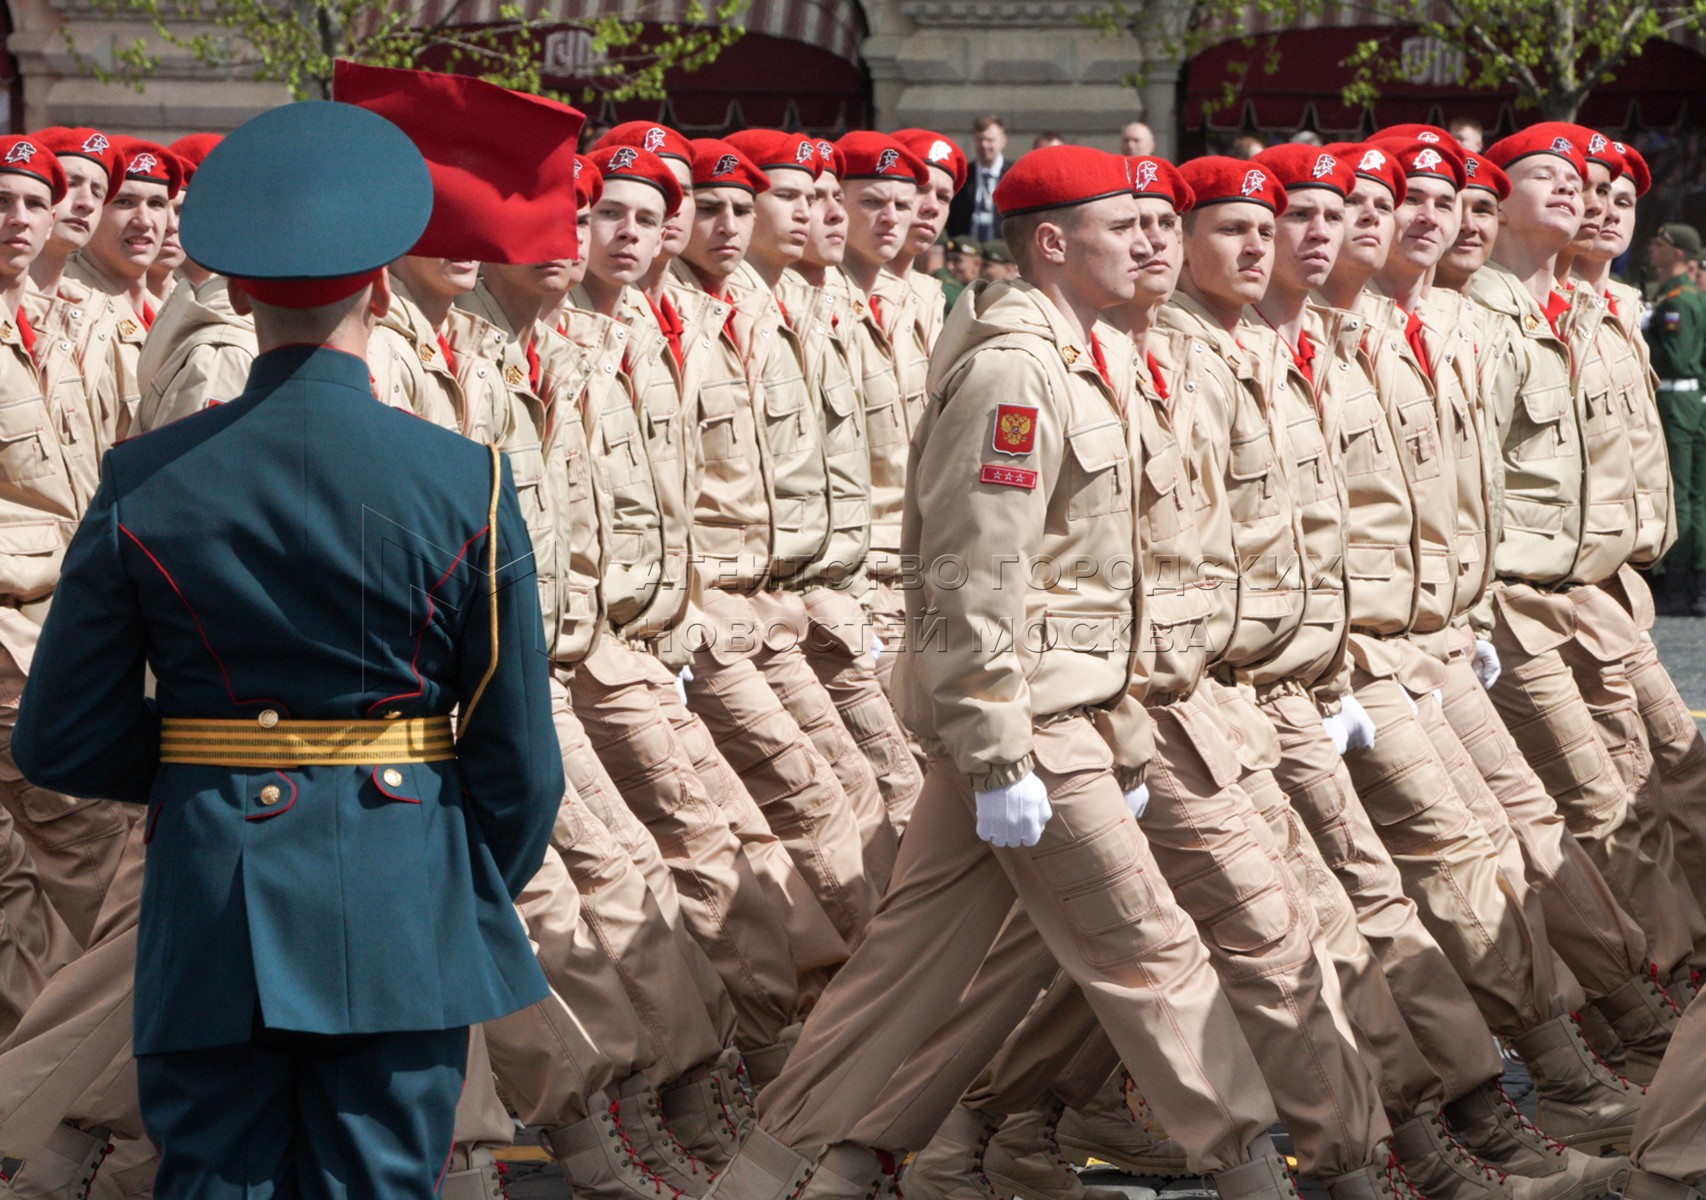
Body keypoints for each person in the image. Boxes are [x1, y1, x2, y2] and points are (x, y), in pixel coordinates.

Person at [703, 143, 1294, 1200]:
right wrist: (993, 749)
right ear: (1054, 244)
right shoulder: (1016, 368)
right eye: (1129, 225)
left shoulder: (1076, 353)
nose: (1158, 238)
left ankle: (767, 1177)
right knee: (1153, 959)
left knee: (895, 977)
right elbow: (973, 571)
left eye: (1160, 222)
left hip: (1056, 720)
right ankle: (1257, 1175)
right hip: (1030, 728)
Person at [9, 100, 563, 1200]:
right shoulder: (467, 481)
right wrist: (446, 875)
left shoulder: (144, 479)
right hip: (404, 888)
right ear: (376, 289)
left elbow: (61, 736)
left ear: (242, 293)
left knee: (214, 1178)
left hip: (214, 889)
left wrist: (205, 774)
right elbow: (518, 758)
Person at [1645, 223, 1706, 615]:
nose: (1652, 248)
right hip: (1688, 398)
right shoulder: (1678, 295)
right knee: (1694, 495)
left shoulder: (1678, 301)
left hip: (1675, 396)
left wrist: (1645, 337)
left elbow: (1680, 359)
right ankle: (1693, 580)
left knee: (1679, 493)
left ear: (1679, 253)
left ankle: (1679, 580)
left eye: (1660, 243)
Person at [947, 114, 1006, 242]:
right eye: (980, 140)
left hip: (1001, 251)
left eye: (990, 140)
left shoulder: (1012, 175)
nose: (984, 145)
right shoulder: (963, 174)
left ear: (1002, 141)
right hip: (968, 250)